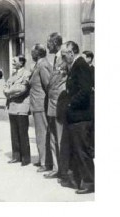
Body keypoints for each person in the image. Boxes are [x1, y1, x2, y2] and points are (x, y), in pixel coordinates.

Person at [60, 41, 95, 194]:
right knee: (76, 150)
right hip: (75, 116)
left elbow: (85, 90)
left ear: (71, 53)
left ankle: (89, 182)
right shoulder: (76, 64)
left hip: (80, 116)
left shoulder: (80, 65)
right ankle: (80, 179)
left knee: (82, 151)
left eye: (63, 55)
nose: (62, 58)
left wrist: (69, 104)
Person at [45, 32, 70, 181]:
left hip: (60, 103)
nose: (47, 46)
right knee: (53, 137)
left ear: (54, 43)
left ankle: (64, 171)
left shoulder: (64, 57)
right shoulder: (55, 58)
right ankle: (56, 168)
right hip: (52, 103)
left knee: (61, 139)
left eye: (48, 43)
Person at [3, 55, 32, 166]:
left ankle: (25, 158)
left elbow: (21, 89)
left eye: (14, 61)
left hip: (22, 107)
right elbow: (5, 87)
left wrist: (9, 91)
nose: (12, 63)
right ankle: (16, 156)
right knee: (14, 133)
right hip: (12, 107)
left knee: (22, 133)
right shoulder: (13, 75)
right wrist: (9, 91)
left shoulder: (27, 74)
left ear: (21, 62)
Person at [29, 43, 53, 173]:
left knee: (42, 134)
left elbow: (48, 84)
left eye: (32, 52)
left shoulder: (42, 65)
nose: (31, 55)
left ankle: (45, 162)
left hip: (41, 104)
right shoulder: (39, 64)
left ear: (37, 53)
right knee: (40, 133)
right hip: (37, 104)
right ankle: (43, 159)